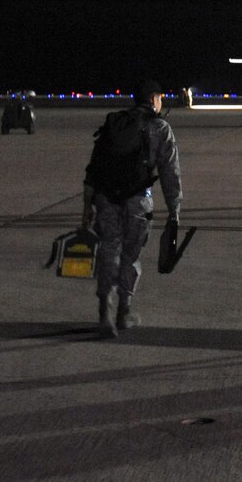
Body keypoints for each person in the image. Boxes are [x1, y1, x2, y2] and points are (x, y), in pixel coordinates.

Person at [82, 80, 182, 338]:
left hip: (106, 199)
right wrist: (175, 210)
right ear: (154, 99)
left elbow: (94, 165)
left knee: (109, 252)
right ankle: (124, 312)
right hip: (137, 201)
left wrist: (87, 205)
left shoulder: (115, 123)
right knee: (131, 257)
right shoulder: (160, 128)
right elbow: (170, 173)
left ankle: (105, 313)